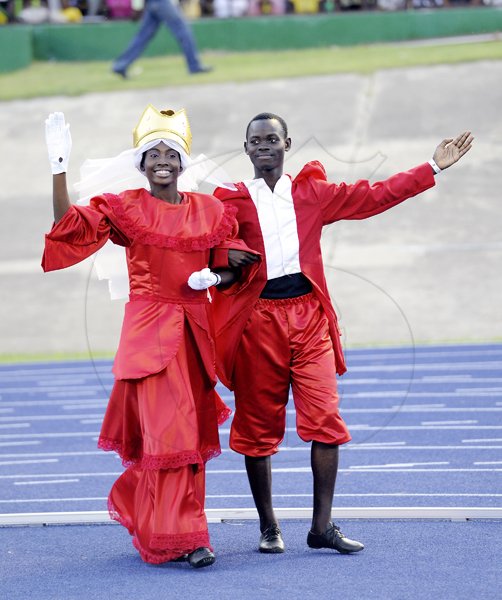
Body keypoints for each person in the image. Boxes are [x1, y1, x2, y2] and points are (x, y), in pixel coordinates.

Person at [212, 112, 473, 554]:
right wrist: (223, 258)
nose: (264, 147)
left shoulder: (311, 194)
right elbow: (205, 243)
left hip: (309, 319)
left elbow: (373, 196)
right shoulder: (229, 204)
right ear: (246, 149)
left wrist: (430, 168)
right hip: (259, 322)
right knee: (257, 429)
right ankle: (269, 527)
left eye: (271, 139)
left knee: (326, 421)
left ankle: (321, 527)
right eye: (255, 141)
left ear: (287, 144)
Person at [41, 105, 259, 567]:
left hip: (197, 340)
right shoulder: (126, 207)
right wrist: (58, 169)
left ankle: (168, 522)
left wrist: (214, 280)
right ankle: (189, 538)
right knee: (169, 439)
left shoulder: (210, 210)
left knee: (191, 443)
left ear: (183, 162)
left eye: (171, 152)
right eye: (152, 153)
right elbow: (69, 229)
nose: (162, 160)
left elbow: (236, 262)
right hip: (149, 339)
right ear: (140, 163)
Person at [111, 0, 212, 79]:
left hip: (152, 3)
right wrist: (137, 7)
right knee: (184, 32)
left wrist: (137, 7)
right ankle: (194, 66)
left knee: (142, 37)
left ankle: (120, 65)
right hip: (163, 3)